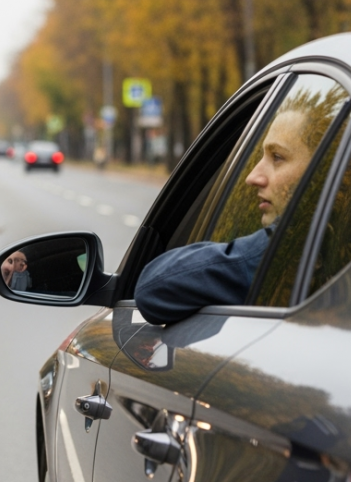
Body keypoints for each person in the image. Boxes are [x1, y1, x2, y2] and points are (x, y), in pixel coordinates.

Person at [134, 107, 316, 325]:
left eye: (277, 157)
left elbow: (152, 288)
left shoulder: (293, 249)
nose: (252, 177)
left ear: (325, 168)